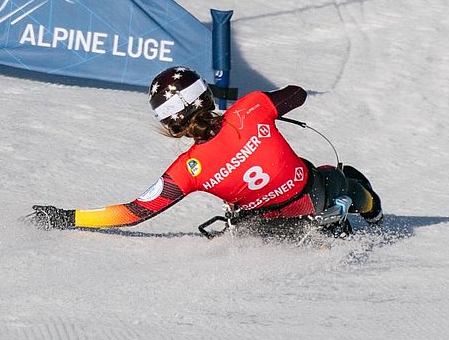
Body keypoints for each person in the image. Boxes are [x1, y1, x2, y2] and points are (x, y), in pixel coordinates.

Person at [29, 66, 383, 236]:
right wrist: (265, 108)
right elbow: (298, 93)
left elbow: (135, 212)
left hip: (265, 225)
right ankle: (374, 214)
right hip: (313, 196)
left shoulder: (188, 170)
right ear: (208, 97)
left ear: (170, 126)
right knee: (343, 178)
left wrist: (68, 217)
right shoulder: (250, 110)